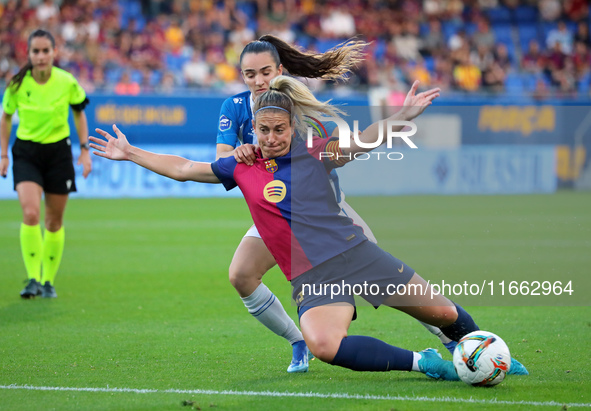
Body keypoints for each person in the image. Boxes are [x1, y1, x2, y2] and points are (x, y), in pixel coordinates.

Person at [89, 76, 528, 378]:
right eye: (264, 130)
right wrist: (132, 153)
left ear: (291, 127)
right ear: (254, 129)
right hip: (312, 275)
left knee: (446, 314)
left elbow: (362, 141)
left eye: (279, 129)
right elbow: (186, 167)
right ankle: (425, 362)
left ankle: (493, 353)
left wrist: (403, 117)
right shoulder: (241, 167)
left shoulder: (315, 152)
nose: (272, 137)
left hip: (357, 254)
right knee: (324, 346)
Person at [216, 35, 454, 373]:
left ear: (280, 70)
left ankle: (448, 334)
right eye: (249, 74)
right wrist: (240, 151)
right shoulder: (234, 108)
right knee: (241, 274)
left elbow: (324, 153)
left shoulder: (297, 106)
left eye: (265, 72)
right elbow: (222, 158)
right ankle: (298, 341)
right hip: (278, 214)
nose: (258, 81)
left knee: (385, 280)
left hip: (325, 213)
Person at [0, 29, 92, 299]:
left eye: (45, 51)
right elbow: (5, 118)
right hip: (27, 152)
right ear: (28, 54)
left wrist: (85, 150)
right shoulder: (17, 84)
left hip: (58, 154)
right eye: (35, 51)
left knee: (53, 221)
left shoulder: (67, 82)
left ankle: (48, 281)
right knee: (30, 214)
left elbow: (79, 113)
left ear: (54, 53)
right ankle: (32, 278)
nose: (40, 56)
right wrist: (3, 154)